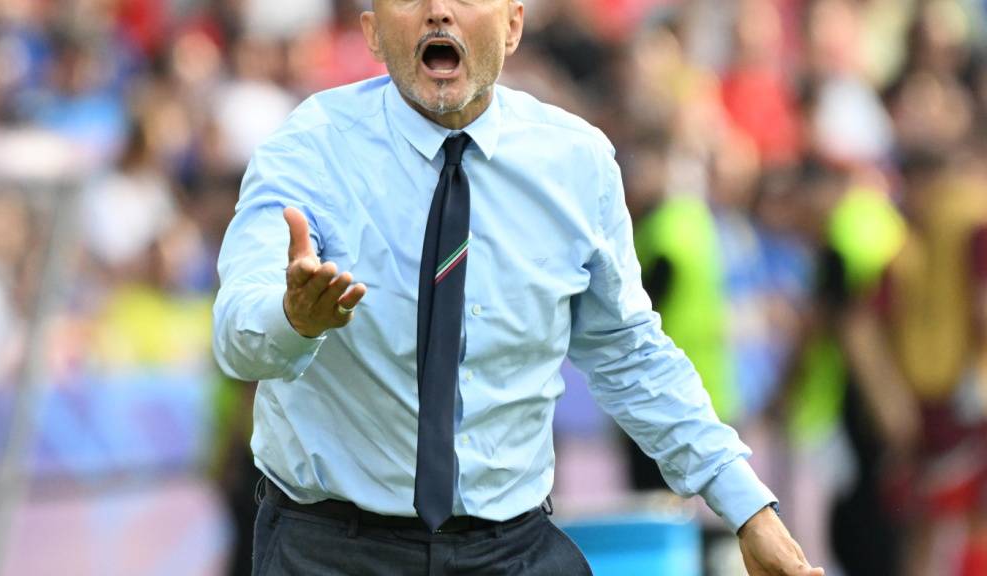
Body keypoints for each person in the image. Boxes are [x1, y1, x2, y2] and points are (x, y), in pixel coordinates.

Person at [212, 1, 823, 574]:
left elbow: (630, 355)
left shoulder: (577, 163)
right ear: (372, 33)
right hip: (331, 549)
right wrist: (293, 319)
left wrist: (747, 507)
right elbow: (237, 334)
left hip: (513, 547)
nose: (439, 10)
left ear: (513, 26)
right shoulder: (308, 147)